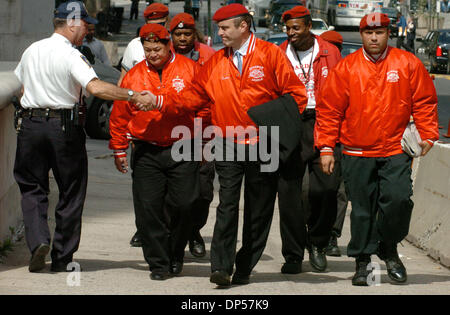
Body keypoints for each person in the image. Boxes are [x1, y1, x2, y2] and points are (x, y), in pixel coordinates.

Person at [139, 3, 307, 286]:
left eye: (224, 27)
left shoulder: (270, 56)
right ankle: (221, 266)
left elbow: (296, 96)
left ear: (243, 27)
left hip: (265, 143)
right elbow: (193, 96)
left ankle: (244, 265)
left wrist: (274, 126)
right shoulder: (216, 62)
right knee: (227, 204)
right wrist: (159, 101)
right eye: (219, 28)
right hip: (228, 142)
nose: (219, 33)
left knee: (259, 208)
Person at [13, 0, 154, 273]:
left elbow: (20, 90)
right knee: (71, 190)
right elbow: (96, 87)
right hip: (62, 129)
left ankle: (39, 241)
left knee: (32, 188)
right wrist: (132, 94)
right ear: (72, 23)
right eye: (85, 25)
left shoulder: (32, 50)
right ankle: (62, 257)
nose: (87, 30)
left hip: (30, 126)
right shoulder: (71, 55)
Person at [315, 12, 439, 286]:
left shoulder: (407, 63)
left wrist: (428, 134)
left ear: (388, 34)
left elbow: (424, 101)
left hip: (395, 149)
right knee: (361, 210)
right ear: (361, 35)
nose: (374, 37)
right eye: (369, 33)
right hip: (357, 151)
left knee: (398, 200)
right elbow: (330, 110)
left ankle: (388, 247)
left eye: (380, 32)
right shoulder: (347, 68)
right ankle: (362, 262)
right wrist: (325, 147)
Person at [109, 24, 200, 281]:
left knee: (185, 204)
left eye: (157, 48)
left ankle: (175, 252)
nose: (152, 54)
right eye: (147, 49)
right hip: (146, 150)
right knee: (149, 210)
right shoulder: (134, 76)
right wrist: (118, 148)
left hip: (184, 147)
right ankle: (158, 263)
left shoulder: (189, 69)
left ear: (168, 45)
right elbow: (119, 115)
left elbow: (202, 107)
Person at [277, 6, 342, 272]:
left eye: (296, 28)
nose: (291, 33)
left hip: (323, 122)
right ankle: (293, 253)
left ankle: (318, 242)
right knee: (289, 193)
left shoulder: (330, 52)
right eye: (288, 29)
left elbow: (341, 92)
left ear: (308, 27)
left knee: (326, 188)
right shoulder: (278, 53)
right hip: (290, 123)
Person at [118, 2, 170, 248]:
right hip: (142, 129)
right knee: (143, 188)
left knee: (178, 192)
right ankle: (144, 228)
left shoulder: (178, 42)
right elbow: (123, 83)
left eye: (160, 25)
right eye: (151, 25)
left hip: (175, 128)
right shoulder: (133, 47)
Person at [170, 13, 216, 258]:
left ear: (194, 33)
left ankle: (194, 230)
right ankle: (178, 233)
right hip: (173, 131)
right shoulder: (164, 56)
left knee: (204, 189)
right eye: (178, 34)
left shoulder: (208, 55)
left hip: (204, 130)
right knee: (175, 188)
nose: (183, 38)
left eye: (187, 33)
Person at [319, 29, 349, 257]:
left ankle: (332, 235)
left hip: (343, 141)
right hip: (318, 138)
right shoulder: (313, 71)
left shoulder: (346, 72)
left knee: (339, 191)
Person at [119, 2, 170, 87]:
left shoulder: (175, 42)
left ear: (167, 22)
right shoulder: (134, 45)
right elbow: (123, 80)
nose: (156, 29)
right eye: (152, 25)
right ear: (146, 23)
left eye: (160, 25)